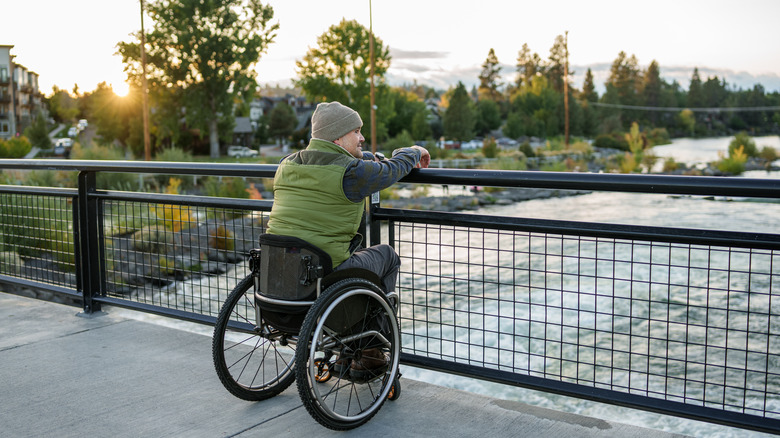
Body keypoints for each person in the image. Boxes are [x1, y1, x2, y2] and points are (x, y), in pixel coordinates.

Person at [266, 101, 429, 376]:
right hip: (324, 278)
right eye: (356, 132)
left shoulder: (287, 164)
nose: (362, 137)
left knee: (351, 258)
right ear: (338, 137)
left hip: (279, 276)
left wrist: (366, 157)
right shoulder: (352, 175)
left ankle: (347, 349)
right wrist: (413, 151)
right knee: (386, 255)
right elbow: (392, 170)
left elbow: (331, 164)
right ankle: (370, 350)